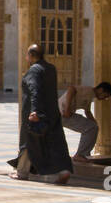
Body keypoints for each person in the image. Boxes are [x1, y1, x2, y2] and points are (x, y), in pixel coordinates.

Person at [9, 44, 72, 183]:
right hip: (52, 112)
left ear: (31, 56)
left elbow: (34, 91)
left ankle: (22, 172)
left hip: (37, 112)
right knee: (56, 141)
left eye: (27, 55)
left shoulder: (34, 71)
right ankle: (64, 170)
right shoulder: (51, 68)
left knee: (29, 140)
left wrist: (34, 111)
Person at [59, 81, 111, 163]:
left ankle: (82, 154)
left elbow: (87, 112)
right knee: (91, 128)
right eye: (105, 96)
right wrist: (67, 109)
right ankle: (80, 155)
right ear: (101, 90)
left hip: (63, 114)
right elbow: (71, 89)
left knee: (93, 127)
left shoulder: (90, 95)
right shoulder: (88, 90)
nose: (103, 99)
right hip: (62, 113)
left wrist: (95, 124)